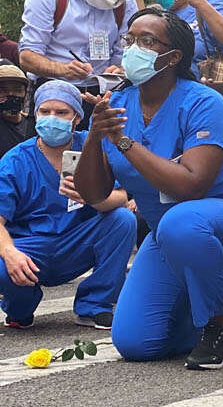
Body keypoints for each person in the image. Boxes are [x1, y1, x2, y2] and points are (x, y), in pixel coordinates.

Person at [74, 7, 223, 370]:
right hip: (167, 232)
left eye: (146, 41)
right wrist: (96, 137)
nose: (132, 49)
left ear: (172, 57)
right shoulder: (118, 105)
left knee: (182, 221)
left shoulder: (203, 102)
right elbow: (94, 194)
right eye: (130, 39)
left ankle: (215, 327)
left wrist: (124, 142)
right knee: (135, 342)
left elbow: (192, 185)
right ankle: (221, 304)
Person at [0, 81, 134, 330]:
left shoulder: (93, 146)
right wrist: (10, 254)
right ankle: (21, 306)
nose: (52, 118)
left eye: (62, 113)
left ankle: (95, 305)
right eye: (45, 111)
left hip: (76, 242)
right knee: (2, 265)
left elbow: (122, 196)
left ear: (76, 118)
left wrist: (94, 197)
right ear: (35, 114)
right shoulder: (16, 160)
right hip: (30, 247)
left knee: (123, 220)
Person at [19, 0, 140, 125]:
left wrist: (121, 68)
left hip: (100, 94)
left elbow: (126, 51)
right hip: (53, 92)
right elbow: (27, 57)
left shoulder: (126, 2)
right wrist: (63, 70)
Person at [0, 61, 34, 158]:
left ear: (26, 94)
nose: (11, 94)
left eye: (17, 90)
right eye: (2, 90)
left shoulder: (34, 125)